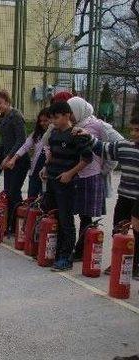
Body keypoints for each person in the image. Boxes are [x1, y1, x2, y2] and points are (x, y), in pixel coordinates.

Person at [75, 114, 139, 280]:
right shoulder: (125, 146)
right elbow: (103, 148)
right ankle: (120, 259)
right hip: (124, 196)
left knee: (137, 231)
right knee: (118, 228)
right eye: (131, 129)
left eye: (137, 130)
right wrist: (88, 136)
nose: (133, 133)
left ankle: (135, 264)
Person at [40, 101, 93, 272]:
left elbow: (87, 158)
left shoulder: (77, 134)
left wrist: (70, 173)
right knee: (52, 215)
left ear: (67, 115)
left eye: (56, 117)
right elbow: (52, 156)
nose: (53, 121)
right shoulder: (54, 134)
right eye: (51, 118)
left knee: (66, 220)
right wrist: (45, 168)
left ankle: (66, 257)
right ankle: (53, 252)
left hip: (66, 184)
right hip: (52, 181)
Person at [66, 97, 107, 261]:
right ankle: (81, 247)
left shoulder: (97, 125)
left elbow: (113, 145)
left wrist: (105, 167)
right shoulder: (74, 127)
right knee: (79, 213)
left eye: (71, 113)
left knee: (86, 215)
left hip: (91, 175)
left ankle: (81, 250)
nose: (70, 117)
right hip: (78, 174)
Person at [0, 90, 29, 234]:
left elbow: (21, 140)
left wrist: (9, 157)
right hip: (8, 159)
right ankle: (12, 224)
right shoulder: (3, 117)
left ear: (8, 102)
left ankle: (19, 225)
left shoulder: (16, 116)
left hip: (19, 160)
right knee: (9, 192)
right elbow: (5, 139)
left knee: (14, 192)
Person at [6, 108, 51, 198]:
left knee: (45, 196)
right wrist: (14, 159)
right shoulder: (37, 134)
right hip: (35, 170)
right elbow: (25, 146)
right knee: (31, 196)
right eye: (40, 121)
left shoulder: (55, 134)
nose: (42, 123)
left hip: (48, 171)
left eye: (45, 120)